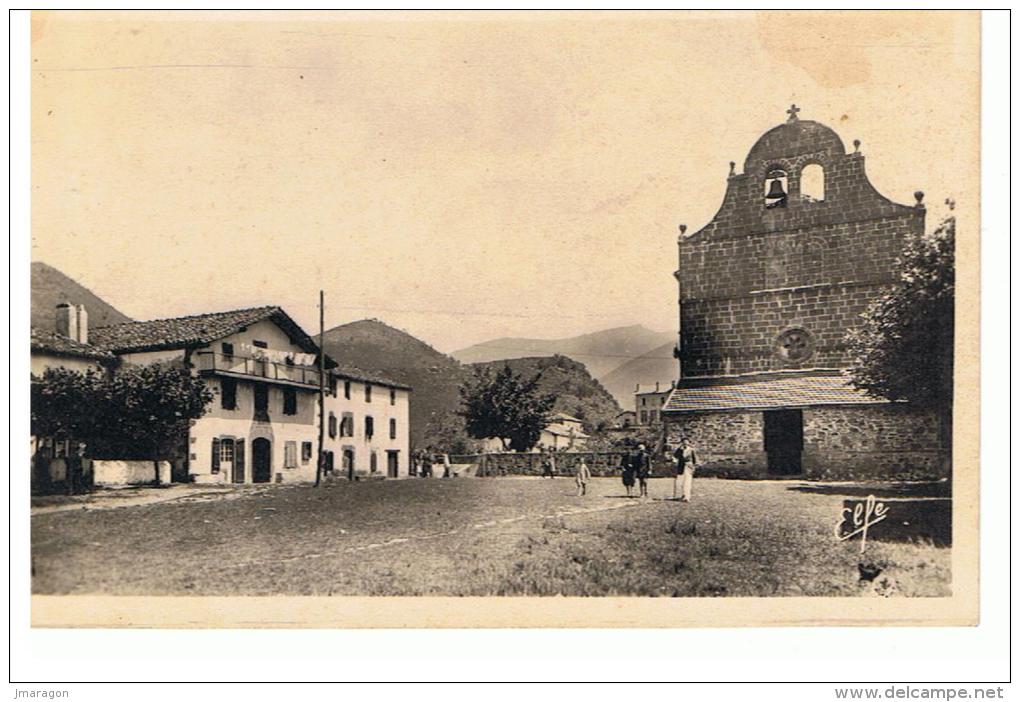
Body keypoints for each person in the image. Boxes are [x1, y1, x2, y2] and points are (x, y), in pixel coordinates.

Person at [673, 437, 698, 502]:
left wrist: (694, 467)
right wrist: (675, 460)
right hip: (681, 466)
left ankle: (687, 496)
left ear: (688, 443)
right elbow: (675, 456)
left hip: (688, 467)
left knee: (687, 482)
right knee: (681, 482)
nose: (685, 444)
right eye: (683, 442)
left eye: (686, 442)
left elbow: (695, 459)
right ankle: (683, 495)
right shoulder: (680, 450)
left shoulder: (691, 450)